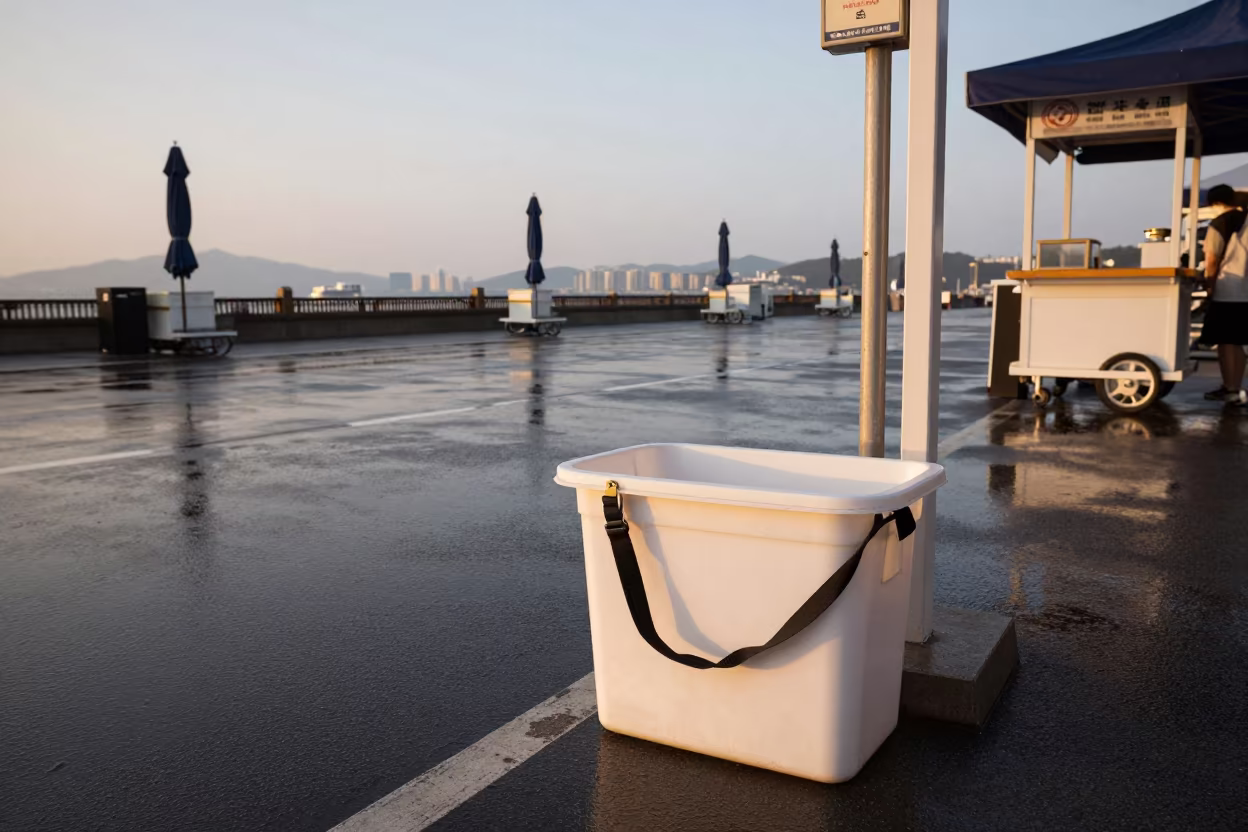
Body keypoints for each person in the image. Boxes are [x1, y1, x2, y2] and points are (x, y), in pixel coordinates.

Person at [1201, 184, 1248, 405]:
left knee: (1226, 341)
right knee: (1237, 342)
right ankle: (1235, 387)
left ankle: (1229, 389)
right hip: (1245, 290)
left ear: (1215, 204)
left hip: (1228, 288)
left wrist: (1209, 285)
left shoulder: (1220, 223)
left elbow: (1212, 259)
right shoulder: (1245, 220)